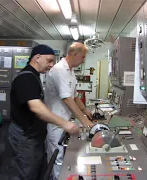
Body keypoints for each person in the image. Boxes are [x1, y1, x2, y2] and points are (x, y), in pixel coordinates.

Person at [7, 44, 80, 180]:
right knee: (26, 172)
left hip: (34, 135)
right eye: (49, 61)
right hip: (25, 136)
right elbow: (37, 108)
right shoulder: (26, 77)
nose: (51, 65)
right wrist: (65, 123)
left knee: (37, 170)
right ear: (38, 57)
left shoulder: (35, 76)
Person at [44, 42, 95, 180]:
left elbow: (75, 96)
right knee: (57, 157)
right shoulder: (60, 70)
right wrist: (84, 121)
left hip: (64, 120)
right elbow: (67, 98)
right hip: (55, 122)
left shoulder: (70, 71)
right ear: (74, 54)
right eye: (83, 57)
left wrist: (86, 111)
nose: (83, 60)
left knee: (62, 156)